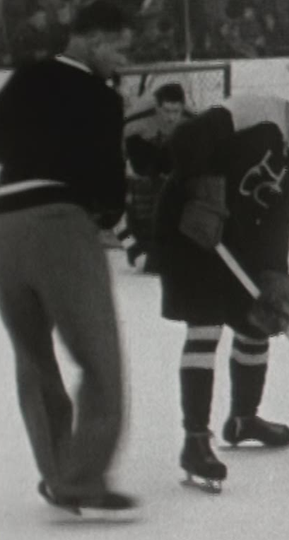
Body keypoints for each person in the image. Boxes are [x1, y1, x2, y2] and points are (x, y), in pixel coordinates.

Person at [154, 72, 289, 493]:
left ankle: (243, 418)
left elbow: (279, 224)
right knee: (206, 322)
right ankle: (195, 441)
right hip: (188, 225)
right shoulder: (255, 110)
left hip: (238, 236)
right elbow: (188, 140)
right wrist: (205, 193)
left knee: (258, 319)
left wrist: (276, 278)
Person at [0, 0, 138, 518]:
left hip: (4, 221)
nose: (122, 62)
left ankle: (59, 474)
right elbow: (107, 186)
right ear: (95, 40)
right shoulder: (101, 98)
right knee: (98, 357)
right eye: (120, 49)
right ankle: (81, 479)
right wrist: (111, 215)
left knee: (33, 359)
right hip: (58, 224)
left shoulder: (23, 78)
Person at [116, 82, 191, 273]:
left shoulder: (192, 120)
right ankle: (134, 241)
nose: (171, 117)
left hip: (169, 151)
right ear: (157, 107)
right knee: (139, 192)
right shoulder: (134, 122)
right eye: (166, 111)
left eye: (176, 111)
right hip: (141, 150)